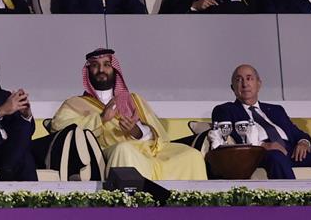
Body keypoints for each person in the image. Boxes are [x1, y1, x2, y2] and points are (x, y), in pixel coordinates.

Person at [53, 48, 206, 181]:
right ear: (88, 71)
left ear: (115, 69)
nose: (101, 70)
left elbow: (159, 134)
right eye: (95, 65)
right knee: (124, 150)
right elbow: (59, 127)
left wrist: (137, 132)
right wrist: (100, 118)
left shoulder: (133, 99)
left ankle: (192, 208)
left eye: (106, 65)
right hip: (110, 150)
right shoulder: (75, 103)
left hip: (149, 149)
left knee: (191, 155)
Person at [210, 64, 311, 180]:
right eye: (239, 80)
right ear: (232, 87)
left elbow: (296, 132)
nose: (245, 84)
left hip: (292, 151)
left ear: (258, 84)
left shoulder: (276, 110)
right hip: (260, 154)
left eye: (249, 78)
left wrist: (303, 142)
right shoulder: (225, 110)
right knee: (276, 157)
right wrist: (264, 145)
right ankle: (291, 208)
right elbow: (228, 136)